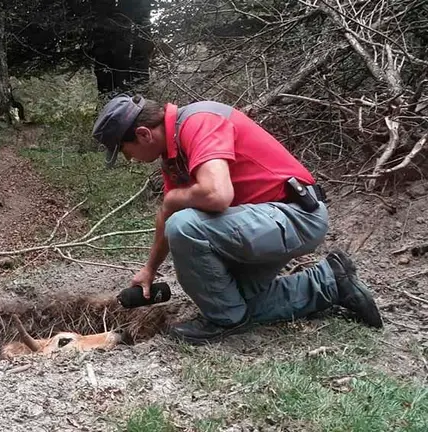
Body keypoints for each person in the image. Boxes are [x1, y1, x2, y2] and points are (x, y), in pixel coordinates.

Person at [91, 94, 383, 344]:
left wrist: (174, 198)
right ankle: (330, 282)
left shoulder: (199, 121)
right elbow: (167, 213)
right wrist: (149, 270)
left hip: (295, 216)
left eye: (126, 152)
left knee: (186, 228)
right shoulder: (173, 152)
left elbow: (217, 195)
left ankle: (226, 321)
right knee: (234, 301)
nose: (130, 160)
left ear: (143, 134)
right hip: (259, 224)